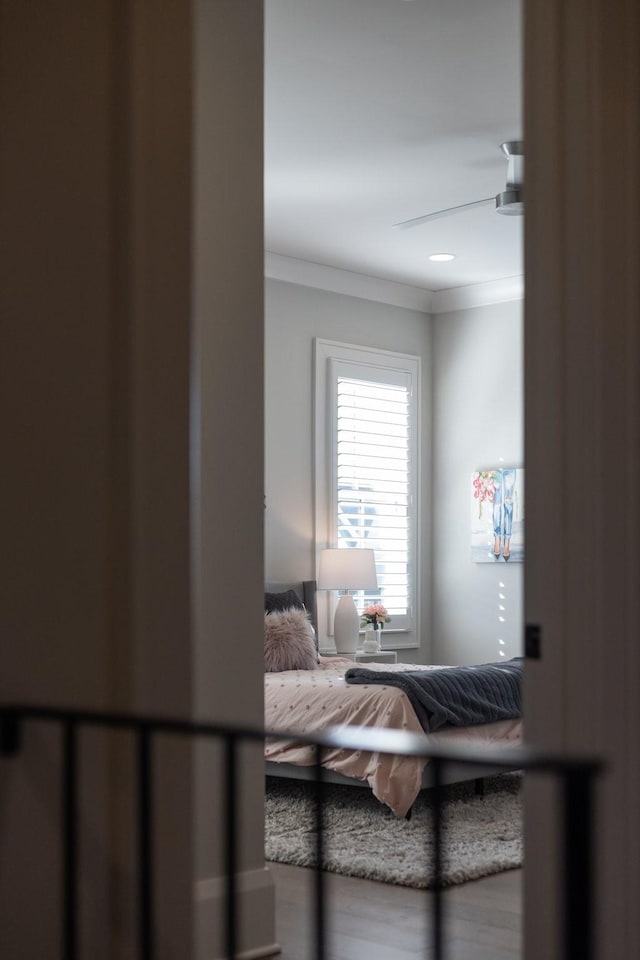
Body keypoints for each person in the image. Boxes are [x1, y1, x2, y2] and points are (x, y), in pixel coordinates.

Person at [492, 468, 516, 560]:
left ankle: (507, 542)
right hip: (496, 469)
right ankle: (497, 539)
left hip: (510, 469)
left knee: (508, 504)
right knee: (496, 505)